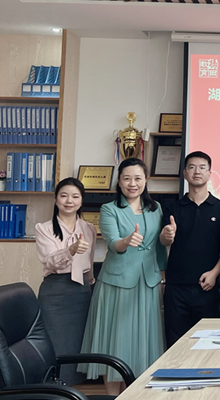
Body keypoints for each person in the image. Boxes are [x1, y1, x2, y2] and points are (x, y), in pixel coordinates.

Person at [79, 158, 166, 396]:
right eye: (127, 178)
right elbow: (113, 243)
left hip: (148, 282)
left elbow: (159, 248)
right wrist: (126, 241)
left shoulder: (156, 208)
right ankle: (112, 396)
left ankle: (133, 394)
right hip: (117, 283)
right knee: (115, 341)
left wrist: (162, 276)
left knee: (141, 343)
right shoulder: (109, 209)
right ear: (119, 181)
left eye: (138, 178)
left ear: (146, 180)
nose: (132, 183)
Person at [160, 151, 220, 347]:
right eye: (191, 167)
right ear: (185, 173)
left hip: (207, 286)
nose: (197, 171)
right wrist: (167, 235)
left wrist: (214, 273)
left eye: (202, 167)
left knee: (206, 344)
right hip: (176, 287)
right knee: (175, 344)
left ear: (209, 173)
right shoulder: (173, 208)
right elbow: (164, 240)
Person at [35, 177, 97, 385]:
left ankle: (77, 388)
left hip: (82, 291)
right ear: (56, 199)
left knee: (80, 342)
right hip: (55, 291)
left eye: (75, 196)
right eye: (64, 196)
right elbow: (50, 261)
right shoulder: (44, 228)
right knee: (54, 341)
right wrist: (70, 250)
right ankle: (54, 386)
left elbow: (89, 261)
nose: (69, 201)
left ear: (81, 200)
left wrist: (90, 283)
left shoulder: (89, 228)